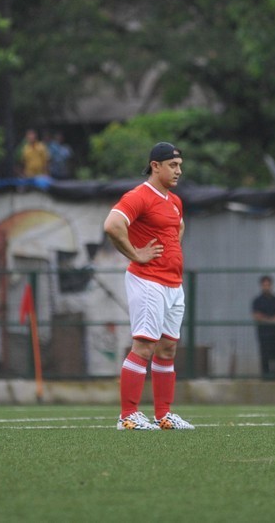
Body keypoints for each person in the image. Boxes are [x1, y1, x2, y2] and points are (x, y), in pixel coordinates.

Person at [103, 141, 194, 430]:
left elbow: (178, 228)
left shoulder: (174, 201)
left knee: (167, 349)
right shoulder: (139, 196)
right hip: (148, 280)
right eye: (173, 165)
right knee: (144, 346)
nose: (179, 171)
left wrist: (171, 255)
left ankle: (163, 415)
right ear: (155, 166)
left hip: (172, 283)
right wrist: (136, 254)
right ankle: (127, 416)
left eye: (180, 165)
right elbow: (112, 225)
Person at [251, 275, 275, 380]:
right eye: (264, 285)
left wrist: (269, 320)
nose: (266, 287)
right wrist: (271, 320)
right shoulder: (257, 300)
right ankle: (266, 381)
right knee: (265, 358)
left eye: (268, 285)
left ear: (271, 285)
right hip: (264, 335)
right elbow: (257, 316)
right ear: (261, 286)